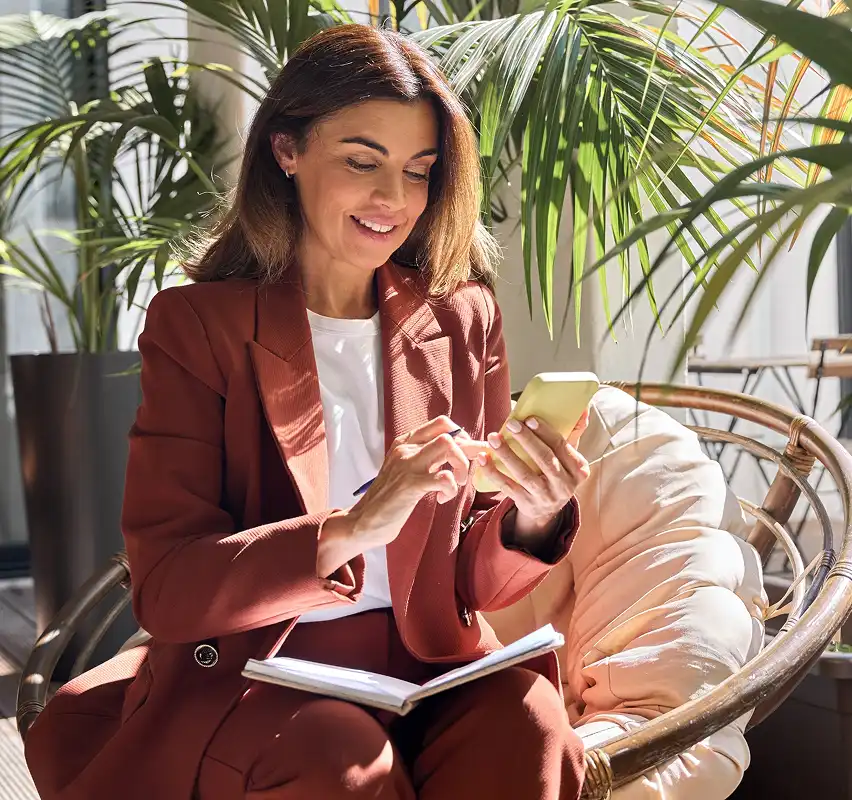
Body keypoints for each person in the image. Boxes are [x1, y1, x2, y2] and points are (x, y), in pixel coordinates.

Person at [24, 24, 591, 800]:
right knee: (340, 756)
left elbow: (474, 580)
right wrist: (348, 531)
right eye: (363, 161)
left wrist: (531, 518)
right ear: (286, 151)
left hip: (430, 665)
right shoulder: (198, 326)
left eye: (419, 171)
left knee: (529, 723)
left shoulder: (464, 319)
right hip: (261, 673)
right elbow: (167, 586)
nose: (394, 199)